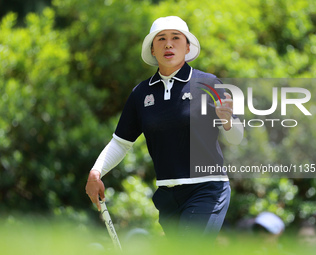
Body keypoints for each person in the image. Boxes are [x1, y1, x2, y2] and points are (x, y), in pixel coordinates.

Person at [85, 16, 243, 241]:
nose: (168, 44)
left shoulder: (209, 84)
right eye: (161, 39)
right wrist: (96, 171)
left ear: (187, 46)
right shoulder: (140, 94)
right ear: (153, 48)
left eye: (176, 38)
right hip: (167, 196)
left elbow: (236, 137)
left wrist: (227, 121)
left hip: (207, 189)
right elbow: (121, 142)